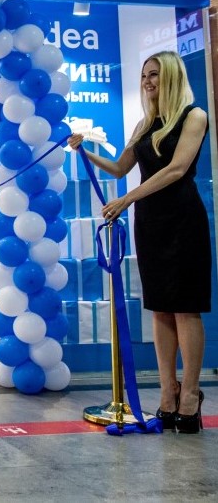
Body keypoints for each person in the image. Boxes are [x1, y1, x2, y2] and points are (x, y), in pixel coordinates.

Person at [68, 50, 210, 433]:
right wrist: (84, 151)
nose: (148, 81)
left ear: (172, 77)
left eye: (155, 75)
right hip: (150, 222)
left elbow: (177, 169)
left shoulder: (194, 116)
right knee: (160, 308)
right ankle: (167, 393)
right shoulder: (144, 124)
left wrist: (127, 199)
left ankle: (190, 394)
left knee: (185, 308)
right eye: (145, 75)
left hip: (183, 220)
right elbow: (120, 167)